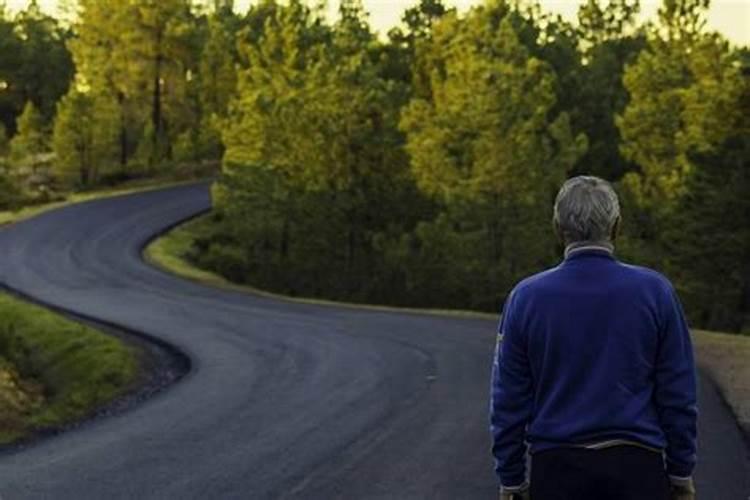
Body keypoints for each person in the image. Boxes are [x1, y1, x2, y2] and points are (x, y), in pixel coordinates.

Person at [489, 176, 698, 500]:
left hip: (557, 469)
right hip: (637, 469)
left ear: (559, 228)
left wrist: (512, 478)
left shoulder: (525, 298)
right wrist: (681, 470)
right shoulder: (655, 292)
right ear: (616, 226)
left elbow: (508, 399)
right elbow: (678, 392)